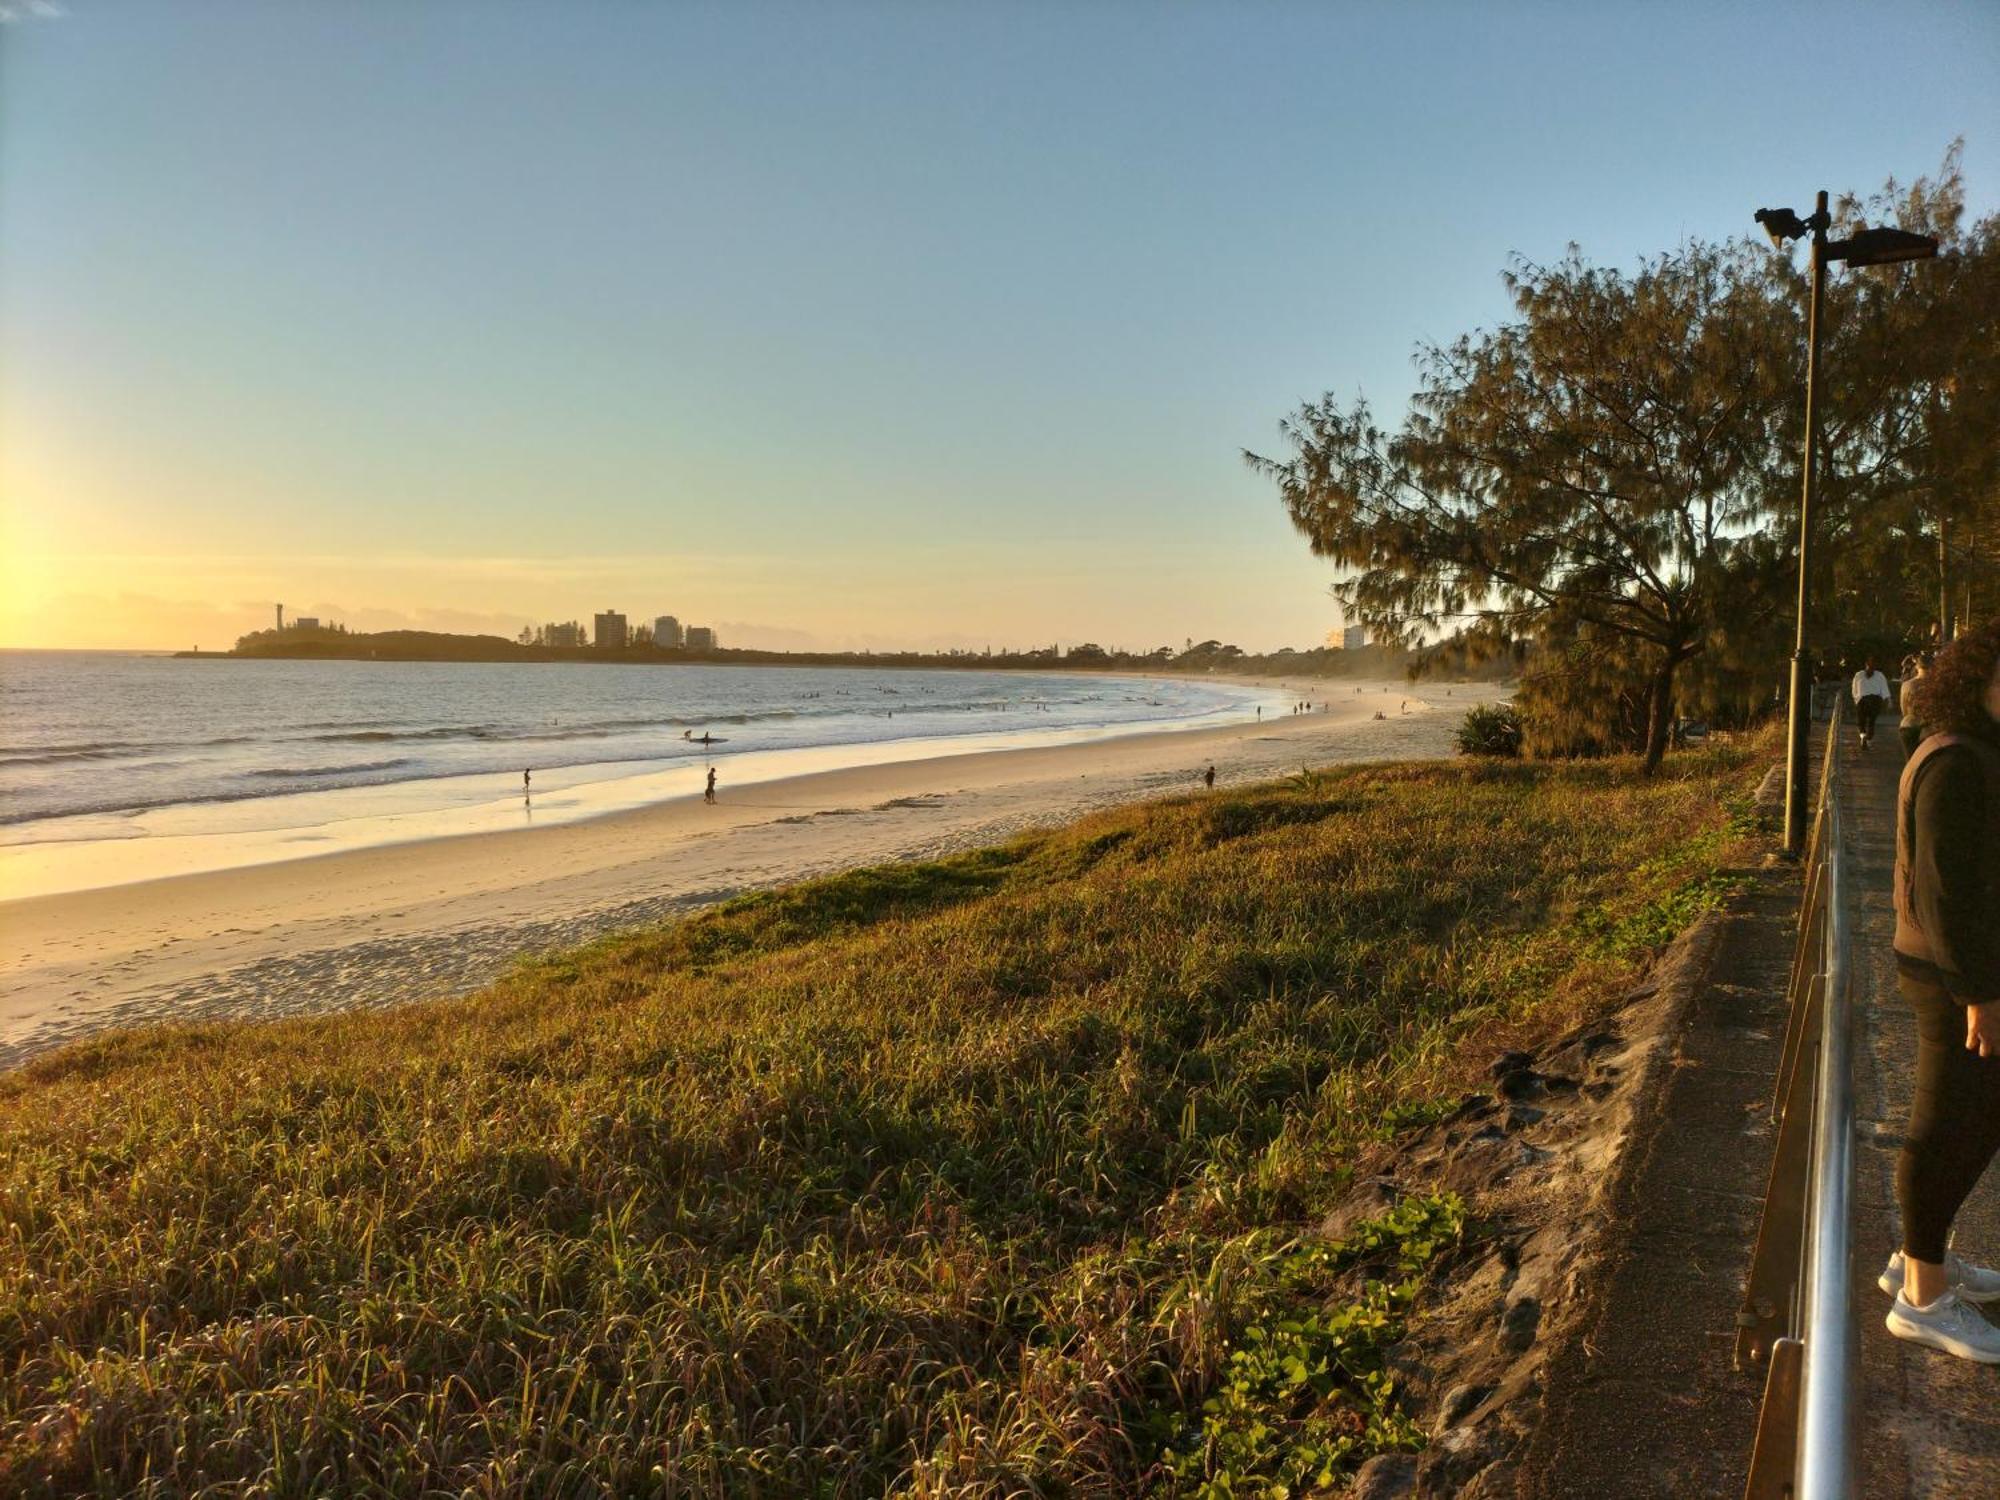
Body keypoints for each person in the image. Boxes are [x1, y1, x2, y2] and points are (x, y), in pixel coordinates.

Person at [1883, 620, 2000, 1361]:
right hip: (1956, 978)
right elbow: (1945, 895)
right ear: (1978, 680)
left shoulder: (1973, 749)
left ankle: (1920, 1258)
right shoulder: (1956, 763)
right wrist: (1980, 997)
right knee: (1949, 1126)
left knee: (1976, 1120)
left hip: (1965, 973)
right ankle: (1922, 1298)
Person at [1853, 658, 1892, 748]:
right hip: (1875, 700)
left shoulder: (1858, 675)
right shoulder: (1880, 675)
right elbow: (1884, 689)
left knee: (1861, 722)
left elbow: (1854, 690)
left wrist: (1857, 700)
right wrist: (1889, 700)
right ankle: (1868, 739)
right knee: (1871, 722)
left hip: (1863, 700)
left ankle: (1863, 736)